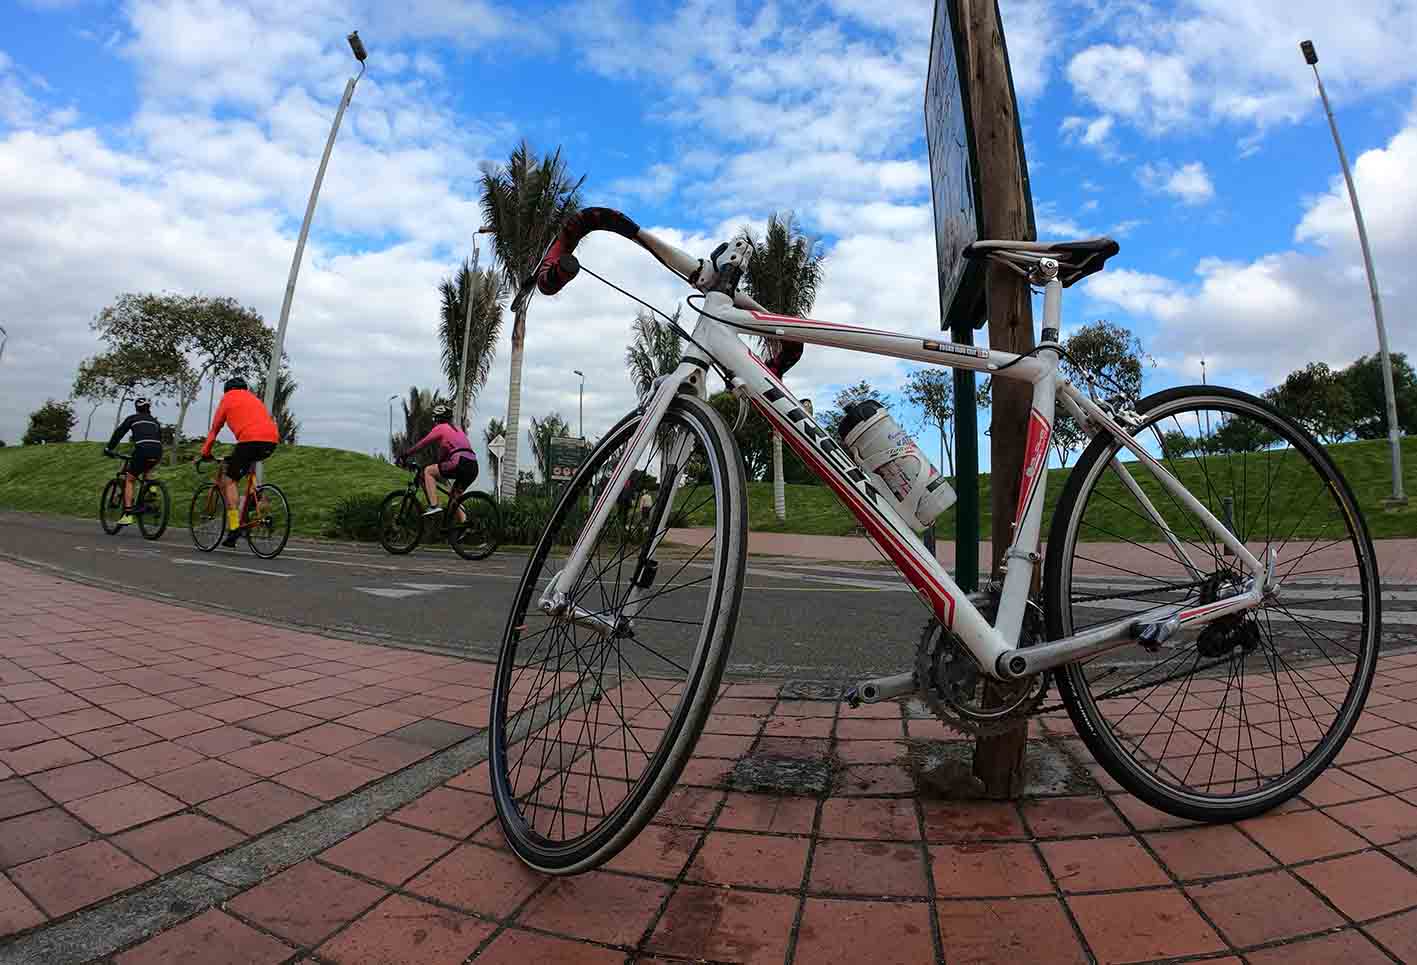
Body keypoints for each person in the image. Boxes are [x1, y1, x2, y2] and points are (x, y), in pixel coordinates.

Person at [198, 376, 279, 547]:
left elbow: (214, 430)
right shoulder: (254, 399)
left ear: (227, 390)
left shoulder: (227, 399)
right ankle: (253, 501)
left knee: (229, 480)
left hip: (249, 441)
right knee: (246, 464)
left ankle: (234, 526)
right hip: (271, 441)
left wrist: (205, 452)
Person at [401, 403, 478, 516]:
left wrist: (406, 454)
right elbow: (443, 455)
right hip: (473, 466)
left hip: (459, 462)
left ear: (437, 418)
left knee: (428, 471)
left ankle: (434, 506)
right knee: (454, 500)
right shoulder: (458, 430)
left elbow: (422, 444)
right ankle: (465, 528)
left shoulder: (440, 428)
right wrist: (440, 463)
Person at [104, 397, 164, 526]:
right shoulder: (154, 421)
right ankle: (152, 487)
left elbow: (119, 433)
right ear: (149, 409)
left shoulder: (132, 418)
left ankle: (128, 514)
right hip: (158, 449)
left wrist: (109, 448)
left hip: (142, 449)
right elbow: (158, 437)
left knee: (129, 479)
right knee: (148, 465)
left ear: (136, 408)